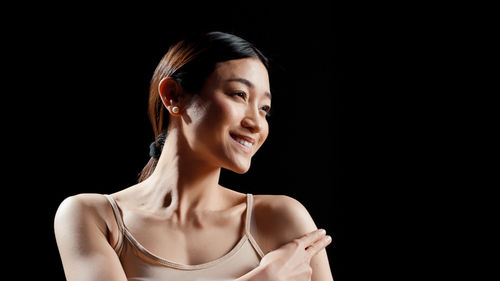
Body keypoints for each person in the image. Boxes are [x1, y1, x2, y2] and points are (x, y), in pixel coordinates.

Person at [54, 31, 334, 281]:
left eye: (264, 109)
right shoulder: (93, 217)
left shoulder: (280, 218)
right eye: (239, 94)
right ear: (173, 96)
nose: (257, 123)